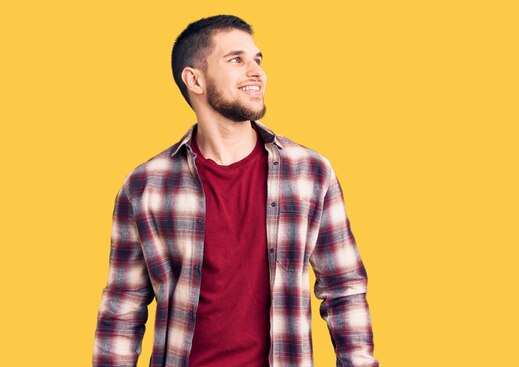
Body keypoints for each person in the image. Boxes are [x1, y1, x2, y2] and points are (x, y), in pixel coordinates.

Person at [93, 14, 378, 367]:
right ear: (194, 79)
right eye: (236, 60)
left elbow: (344, 288)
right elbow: (124, 304)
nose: (257, 72)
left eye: (257, 59)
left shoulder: (310, 173)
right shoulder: (145, 186)